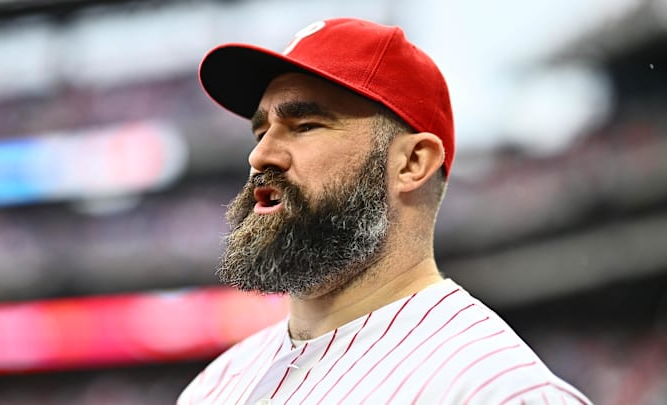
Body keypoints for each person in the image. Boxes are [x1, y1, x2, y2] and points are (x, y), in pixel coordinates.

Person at [177, 17, 592, 404]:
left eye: (305, 126)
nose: (260, 155)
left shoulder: (498, 391)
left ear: (412, 163)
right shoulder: (213, 387)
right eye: (261, 131)